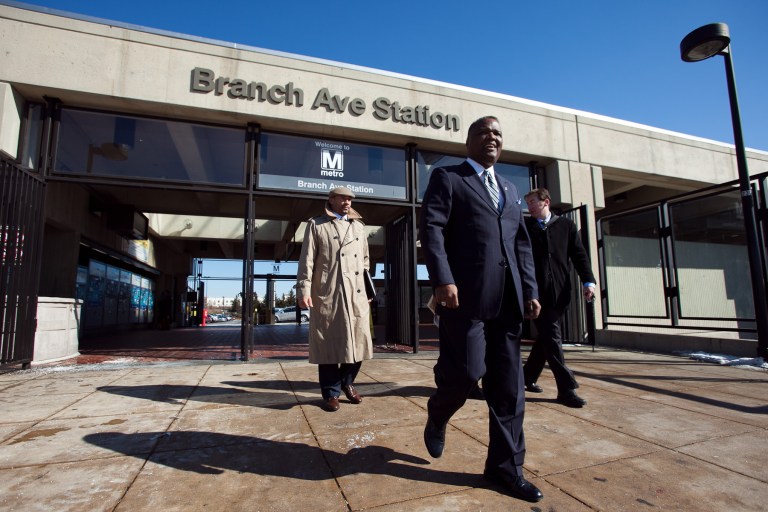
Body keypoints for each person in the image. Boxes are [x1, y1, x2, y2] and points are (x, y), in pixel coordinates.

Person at [419, 116, 543, 503]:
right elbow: (432, 229)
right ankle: (438, 412)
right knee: (466, 374)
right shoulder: (449, 177)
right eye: (484, 133)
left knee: (510, 390)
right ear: (469, 141)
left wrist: (529, 289)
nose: (492, 138)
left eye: (498, 134)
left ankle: (505, 468)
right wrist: (442, 279)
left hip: (507, 302)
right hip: (464, 298)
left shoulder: (509, 188)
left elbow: (520, 244)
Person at [297, 186, 373, 412]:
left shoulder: (359, 226)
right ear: (331, 200)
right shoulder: (316, 225)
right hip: (329, 293)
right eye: (343, 198)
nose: (347, 202)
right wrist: (304, 290)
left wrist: (367, 290)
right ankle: (331, 393)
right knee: (328, 345)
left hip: (356, 294)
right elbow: (307, 261)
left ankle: (347, 383)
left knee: (358, 342)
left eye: (350, 199)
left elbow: (366, 261)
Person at [522, 188, 596, 408]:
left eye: (533, 201)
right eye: (527, 203)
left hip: (561, 294)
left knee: (546, 339)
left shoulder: (566, 226)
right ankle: (566, 389)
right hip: (535, 295)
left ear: (546, 202)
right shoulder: (525, 228)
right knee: (552, 337)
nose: (529, 206)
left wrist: (588, 281)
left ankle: (526, 377)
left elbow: (579, 255)